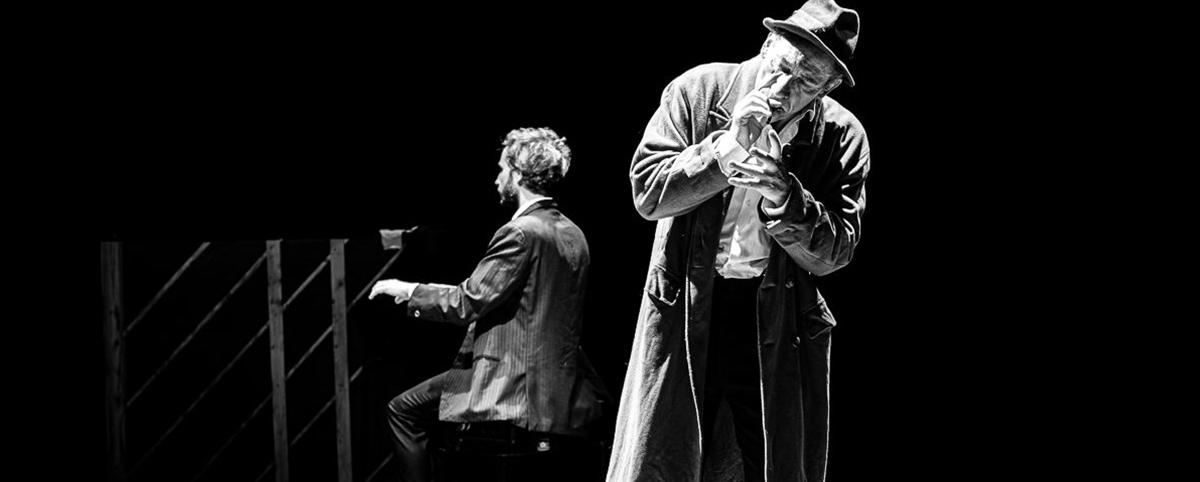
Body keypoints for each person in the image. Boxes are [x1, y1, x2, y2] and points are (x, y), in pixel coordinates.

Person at [606, 1, 870, 481]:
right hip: (689, 304)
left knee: (771, 463)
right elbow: (648, 195)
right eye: (783, 66)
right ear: (768, 44)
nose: (784, 89)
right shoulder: (698, 90)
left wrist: (782, 194)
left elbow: (836, 251)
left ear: (828, 86)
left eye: (806, 82)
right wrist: (726, 147)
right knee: (660, 459)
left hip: (774, 319)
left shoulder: (843, 135)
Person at [370, 127, 609, 482]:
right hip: (559, 384)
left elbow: (468, 302)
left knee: (402, 410)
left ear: (516, 172)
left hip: (510, 380)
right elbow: (498, 294)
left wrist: (408, 291)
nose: (497, 177)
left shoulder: (520, 232)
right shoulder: (573, 233)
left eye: (501, 168)